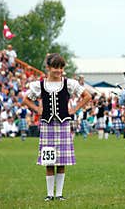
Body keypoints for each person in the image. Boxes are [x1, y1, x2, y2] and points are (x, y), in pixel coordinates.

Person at [23, 53, 91, 201]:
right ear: (48, 67)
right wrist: (38, 110)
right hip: (47, 125)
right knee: (49, 161)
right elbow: (26, 99)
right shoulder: (39, 85)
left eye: (61, 67)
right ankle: (49, 194)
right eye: (55, 67)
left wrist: (74, 109)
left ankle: (59, 194)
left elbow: (87, 96)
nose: (58, 70)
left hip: (63, 124)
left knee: (62, 161)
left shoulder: (69, 83)